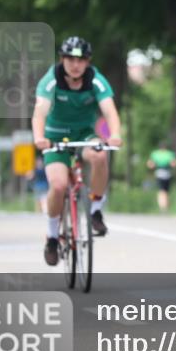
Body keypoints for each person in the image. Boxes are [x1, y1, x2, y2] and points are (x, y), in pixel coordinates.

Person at [32, 36, 123, 266]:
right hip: (54, 138)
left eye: (81, 60)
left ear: (88, 62)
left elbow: (109, 110)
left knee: (100, 154)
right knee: (59, 185)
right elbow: (40, 111)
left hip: (84, 135)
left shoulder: (96, 80)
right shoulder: (51, 80)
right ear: (62, 59)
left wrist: (115, 134)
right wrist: (39, 138)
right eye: (70, 59)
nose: (75, 65)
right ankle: (52, 236)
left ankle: (95, 210)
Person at [147, 142, 176, 212]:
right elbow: (174, 164)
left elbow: (150, 164)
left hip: (159, 173)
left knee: (161, 191)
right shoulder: (170, 154)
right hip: (168, 173)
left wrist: (156, 164)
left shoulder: (155, 154)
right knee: (165, 191)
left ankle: (163, 207)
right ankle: (165, 206)